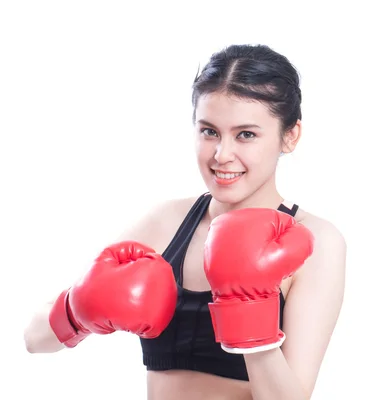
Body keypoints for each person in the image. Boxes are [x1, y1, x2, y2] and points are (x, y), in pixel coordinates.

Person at [24, 44, 347, 400]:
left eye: (246, 134)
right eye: (209, 131)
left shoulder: (315, 241)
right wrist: (77, 310)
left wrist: (251, 322)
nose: (222, 155)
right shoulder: (165, 222)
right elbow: (33, 339)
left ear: (290, 135)